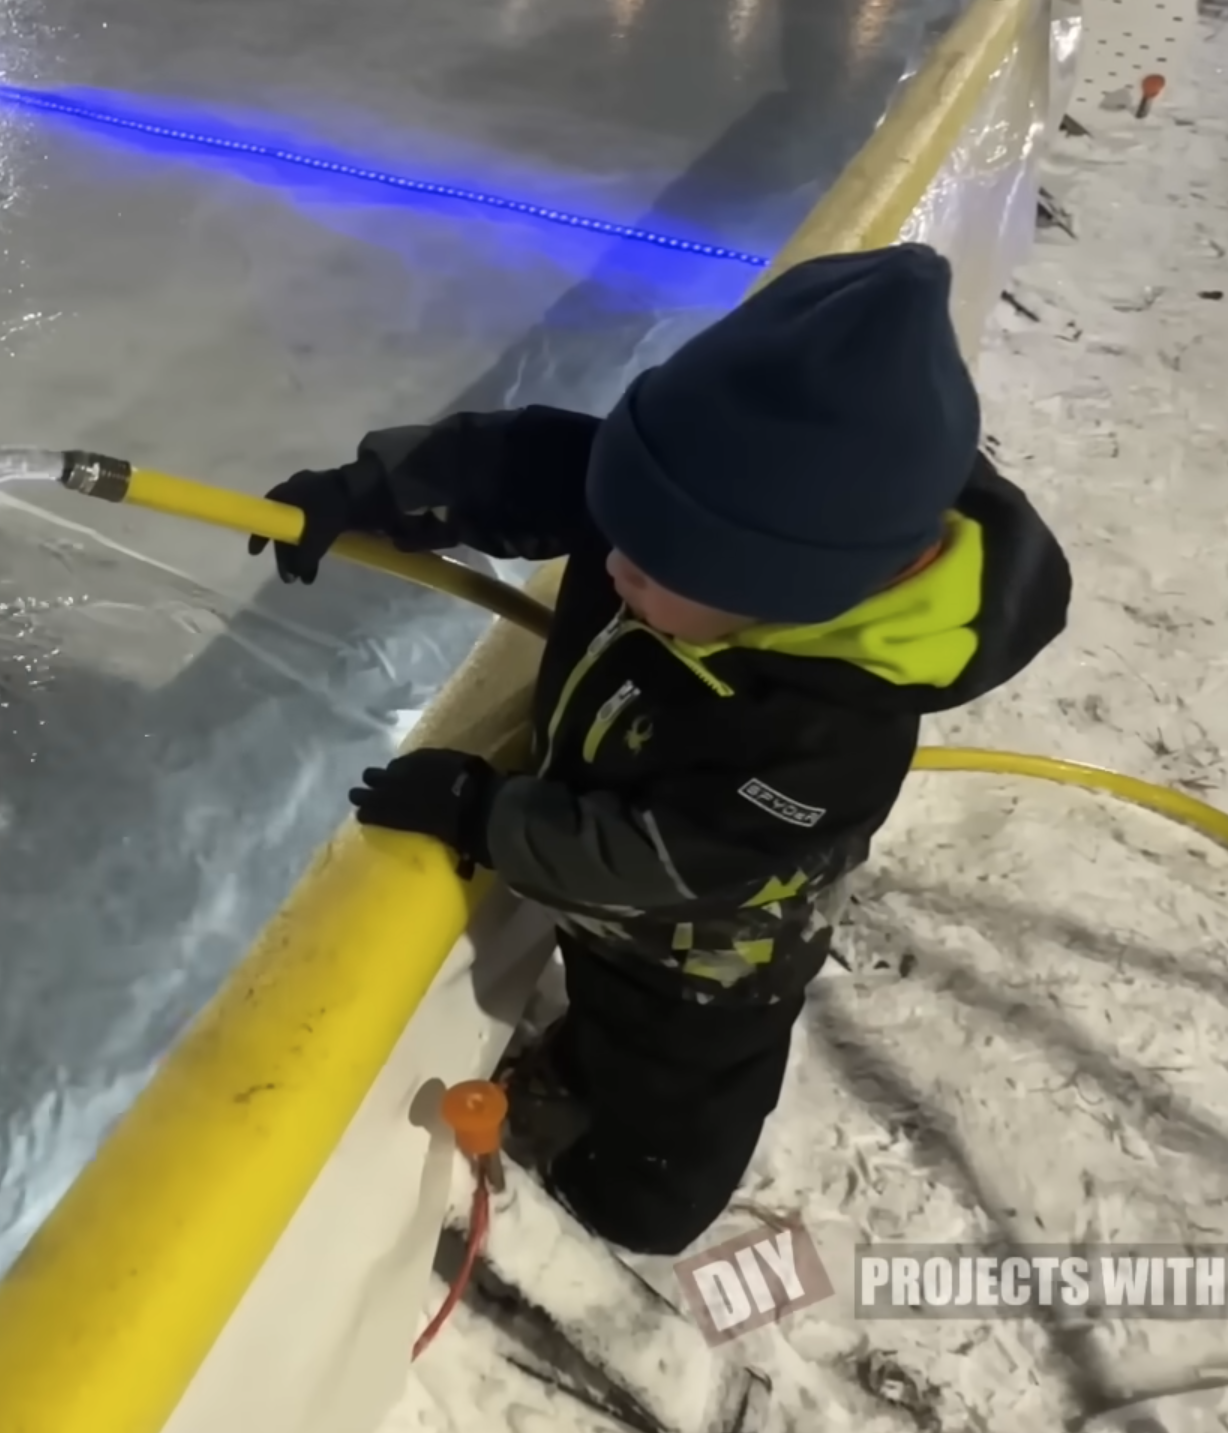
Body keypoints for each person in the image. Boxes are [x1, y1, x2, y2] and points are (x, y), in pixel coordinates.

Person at [245, 243, 1074, 1256]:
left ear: (797, 595)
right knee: (599, 1005)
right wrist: (372, 491)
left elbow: (661, 862)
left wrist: (483, 815)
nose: (610, 556)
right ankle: (580, 1058)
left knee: (673, 1074)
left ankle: (637, 1190)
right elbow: (524, 468)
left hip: (707, 940)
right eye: (619, 530)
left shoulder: (827, 732)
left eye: (647, 562)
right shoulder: (695, 515)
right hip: (612, 827)